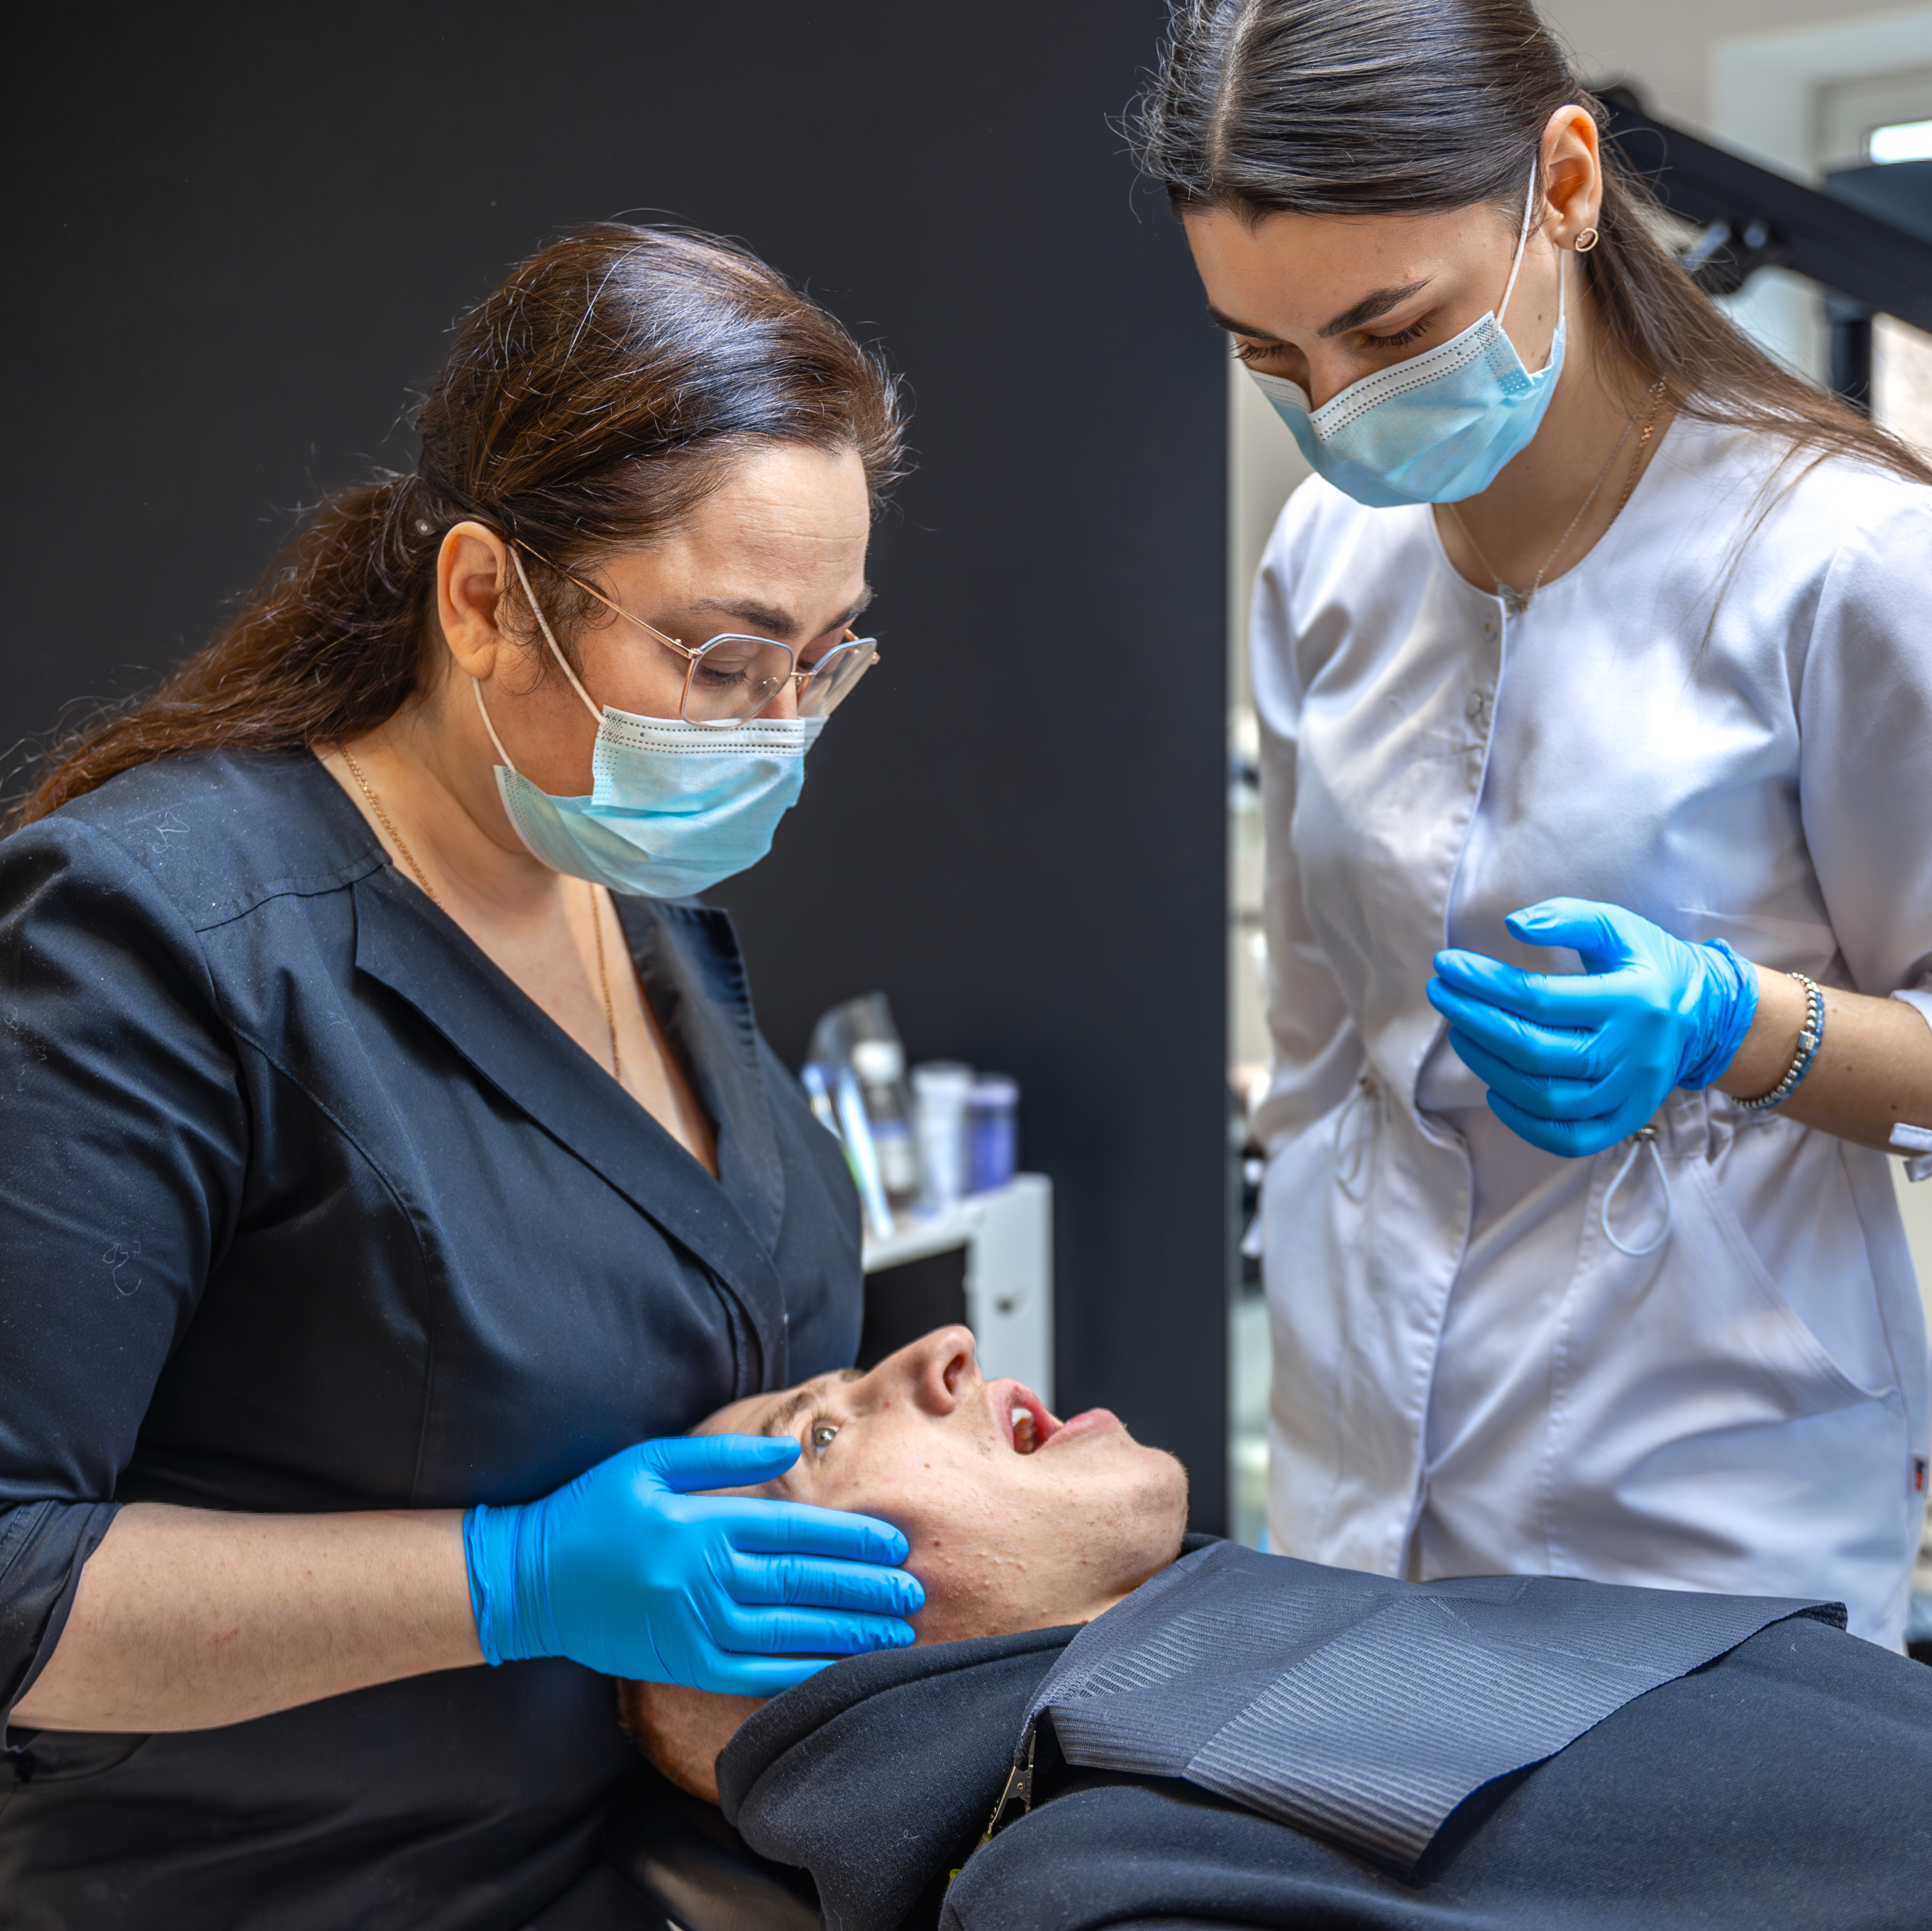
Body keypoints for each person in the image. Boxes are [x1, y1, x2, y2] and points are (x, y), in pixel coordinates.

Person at [0, 224, 928, 1927]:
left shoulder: (637, 912)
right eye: (724, 660)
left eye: (824, 658)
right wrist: (513, 1580)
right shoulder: (166, 935)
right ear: (488, 598)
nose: (779, 723)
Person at [1130, 0, 1932, 1643]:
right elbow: (1316, 1040)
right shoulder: (1327, 562)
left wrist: (1736, 1022)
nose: (1338, 406)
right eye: (1269, 354)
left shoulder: (1843, 562)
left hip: (1703, 1506)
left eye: (1388, 325)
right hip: (1358, 1482)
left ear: (1562, 184)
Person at [617, 1327, 1932, 1931]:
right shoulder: (1067, 1890)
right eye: (823, 1434)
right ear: (798, 1657)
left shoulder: (1214, 1685)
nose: (945, 1347)